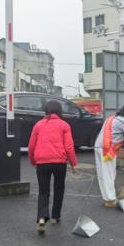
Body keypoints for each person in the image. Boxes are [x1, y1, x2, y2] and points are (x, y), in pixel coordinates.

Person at [28, 100, 78, 234]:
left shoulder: (38, 125)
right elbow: (69, 147)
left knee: (43, 191)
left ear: (46, 110)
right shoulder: (64, 125)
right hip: (59, 162)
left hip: (42, 163)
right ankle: (55, 216)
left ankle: (41, 219)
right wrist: (73, 163)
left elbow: (31, 146)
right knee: (59, 188)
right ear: (60, 111)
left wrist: (33, 161)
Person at [94, 103, 124, 207]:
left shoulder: (111, 118)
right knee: (109, 175)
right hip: (107, 150)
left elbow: (119, 136)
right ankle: (111, 200)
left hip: (98, 147)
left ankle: (107, 199)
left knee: (102, 175)